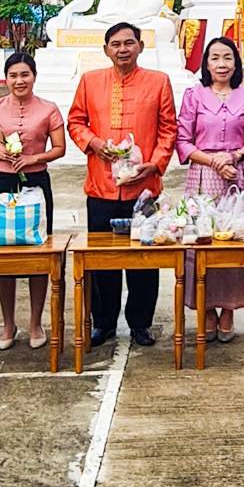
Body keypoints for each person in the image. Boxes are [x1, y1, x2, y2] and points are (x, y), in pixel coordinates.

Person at [67, 21, 178, 348]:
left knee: (144, 260)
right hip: (101, 186)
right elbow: (75, 121)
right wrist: (93, 143)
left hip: (144, 187)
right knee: (102, 261)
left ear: (140, 46)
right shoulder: (90, 81)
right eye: (115, 44)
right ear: (106, 50)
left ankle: (141, 323)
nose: (123, 49)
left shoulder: (158, 82)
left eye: (129, 43)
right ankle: (103, 322)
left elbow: (169, 129)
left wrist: (155, 164)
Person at [0, 51, 66, 349]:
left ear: (34, 77)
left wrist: (33, 158)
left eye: (25, 74)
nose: (19, 80)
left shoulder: (49, 109)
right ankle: (8, 324)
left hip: (36, 182)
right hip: (1, 182)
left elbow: (59, 148)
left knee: (39, 250)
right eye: (13, 75)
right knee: (4, 252)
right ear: (6, 79)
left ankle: (35, 323)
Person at [176, 37, 244, 343]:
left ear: (236, 63)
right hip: (203, 175)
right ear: (206, 63)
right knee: (202, 239)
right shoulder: (194, 96)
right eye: (215, 58)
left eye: (227, 58)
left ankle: (229, 308)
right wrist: (214, 160)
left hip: (237, 175)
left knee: (235, 240)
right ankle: (205, 308)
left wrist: (236, 156)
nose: (222, 64)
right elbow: (183, 141)